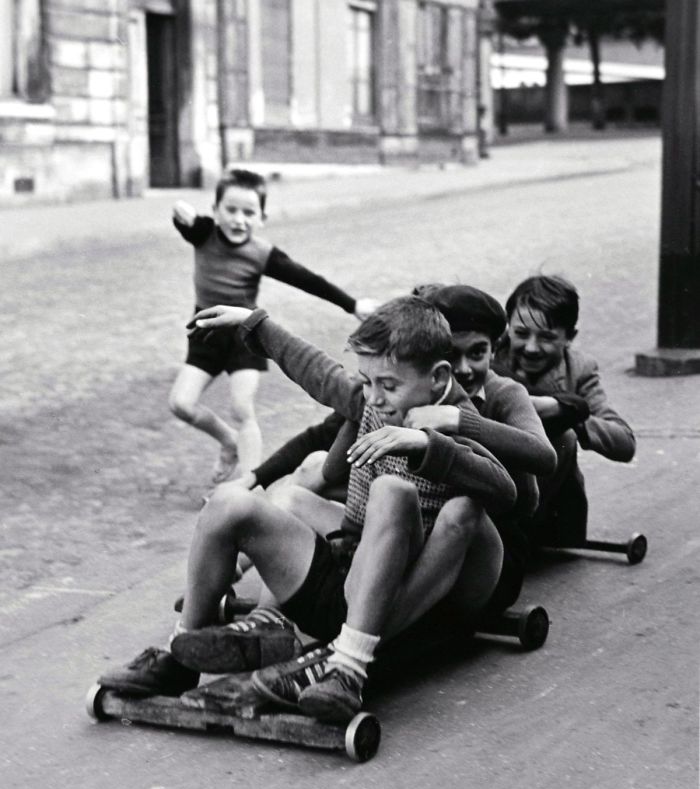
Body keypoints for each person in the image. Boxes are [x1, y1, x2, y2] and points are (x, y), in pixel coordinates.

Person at [99, 297, 516, 723]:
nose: (375, 399)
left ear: (438, 377)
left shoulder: (454, 419)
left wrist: (429, 445)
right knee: (228, 503)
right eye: (368, 383)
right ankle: (179, 657)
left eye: (389, 386)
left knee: (393, 490)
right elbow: (316, 371)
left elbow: (505, 489)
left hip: (402, 599)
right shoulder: (372, 399)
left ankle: (347, 671)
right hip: (344, 575)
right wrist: (256, 325)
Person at [232, 283, 556, 616]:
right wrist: (258, 475)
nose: (462, 368)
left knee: (457, 508)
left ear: (494, 350)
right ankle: (252, 583)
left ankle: (369, 630)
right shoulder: (395, 390)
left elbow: (540, 463)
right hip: (417, 520)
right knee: (313, 467)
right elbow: (324, 405)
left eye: (476, 353)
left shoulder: (502, 393)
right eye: (450, 354)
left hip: (481, 540)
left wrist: (457, 420)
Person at [168, 167, 374, 483]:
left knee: (242, 408)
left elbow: (307, 280)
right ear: (215, 212)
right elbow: (189, 225)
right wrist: (181, 217)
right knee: (180, 403)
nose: (239, 219)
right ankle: (228, 441)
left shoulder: (262, 253)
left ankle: (247, 487)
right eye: (231, 210)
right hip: (204, 334)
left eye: (249, 213)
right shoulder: (204, 233)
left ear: (262, 218)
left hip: (244, 336)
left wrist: (352, 304)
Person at [493, 274, 636, 548]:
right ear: (507, 327)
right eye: (521, 334)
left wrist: (568, 415)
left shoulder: (580, 369)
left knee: (564, 436)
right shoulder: (487, 355)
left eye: (547, 337)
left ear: (570, 337)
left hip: (547, 510)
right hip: (495, 484)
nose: (532, 348)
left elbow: (625, 442)